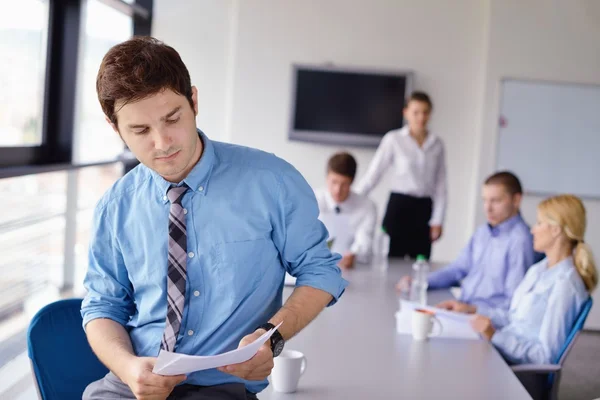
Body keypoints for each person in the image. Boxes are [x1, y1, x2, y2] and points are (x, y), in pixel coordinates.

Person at [80, 37, 347, 400]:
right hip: (132, 384)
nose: (162, 142)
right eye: (140, 131)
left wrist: (274, 337)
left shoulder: (272, 181)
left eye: (172, 118)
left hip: (222, 386)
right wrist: (127, 367)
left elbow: (321, 270)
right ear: (117, 129)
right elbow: (102, 305)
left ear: (193, 101)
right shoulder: (116, 205)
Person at [447, 194, 597, 366]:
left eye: (539, 223)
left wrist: (495, 335)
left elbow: (544, 357)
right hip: (501, 353)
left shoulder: (566, 285)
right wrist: (471, 309)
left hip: (515, 369)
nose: (533, 230)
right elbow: (514, 318)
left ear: (556, 229)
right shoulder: (538, 269)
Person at [398, 172, 535, 312]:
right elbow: (458, 268)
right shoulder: (483, 232)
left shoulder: (521, 240)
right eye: (485, 200)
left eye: (496, 201)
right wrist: (420, 283)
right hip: (463, 307)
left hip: (484, 318)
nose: (487, 208)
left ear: (516, 200)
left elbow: (513, 301)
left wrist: (472, 309)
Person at [355, 91, 446, 259]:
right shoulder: (394, 139)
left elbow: (441, 185)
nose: (421, 117)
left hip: (424, 209)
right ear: (406, 113)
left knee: (420, 262)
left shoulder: (437, 144)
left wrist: (438, 220)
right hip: (399, 208)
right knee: (391, 261)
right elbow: (373, 175)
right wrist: (353, 200)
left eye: (425, 112)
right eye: (416, 112)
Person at [314, 152, 377, 269]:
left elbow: (364, 242)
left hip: (350, 269)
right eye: (334, 182)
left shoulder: (366, 206)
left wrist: (354, 255)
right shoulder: (311, 200)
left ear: (352, 181)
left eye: (344, 184)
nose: (338, 190)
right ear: (327, 178)